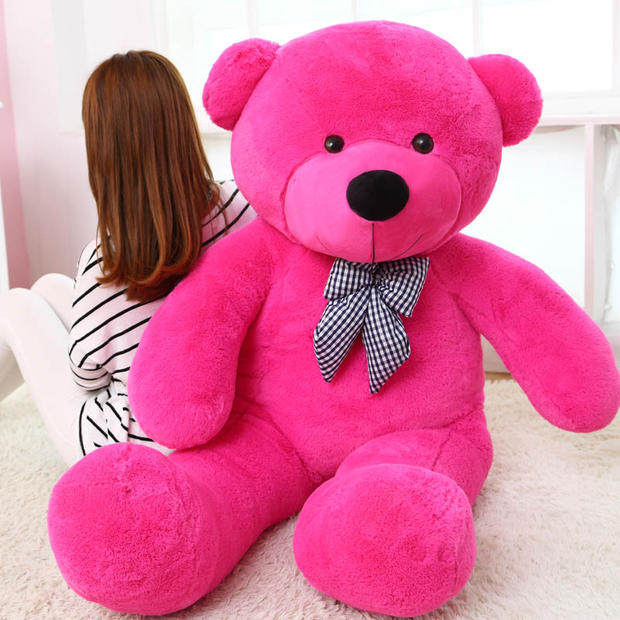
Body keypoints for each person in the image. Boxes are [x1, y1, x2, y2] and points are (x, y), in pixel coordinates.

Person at [0, 51, 253, 466]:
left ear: (104, 151)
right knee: (49, 287)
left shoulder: (108, 264)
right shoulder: (242, 206)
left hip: (133, 448)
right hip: (228, 418)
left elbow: (86, 376)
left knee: (17, 305)